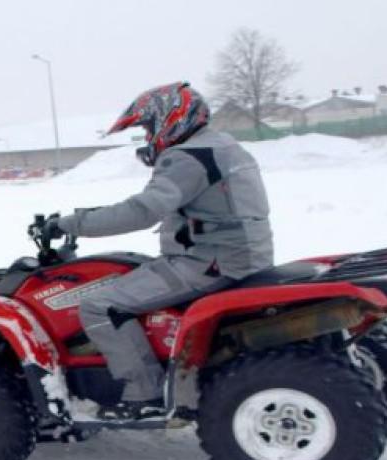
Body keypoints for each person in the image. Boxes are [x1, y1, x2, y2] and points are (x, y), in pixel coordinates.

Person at [48, 82, 275, 420]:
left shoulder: (187, 157)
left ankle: (143, 393)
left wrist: (72, 223)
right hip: (239, 255)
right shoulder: (221, 145)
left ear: (171, 118)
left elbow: (143, 211)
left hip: (210, 262)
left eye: (147, 127)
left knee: (101, 306)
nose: (147, 136)